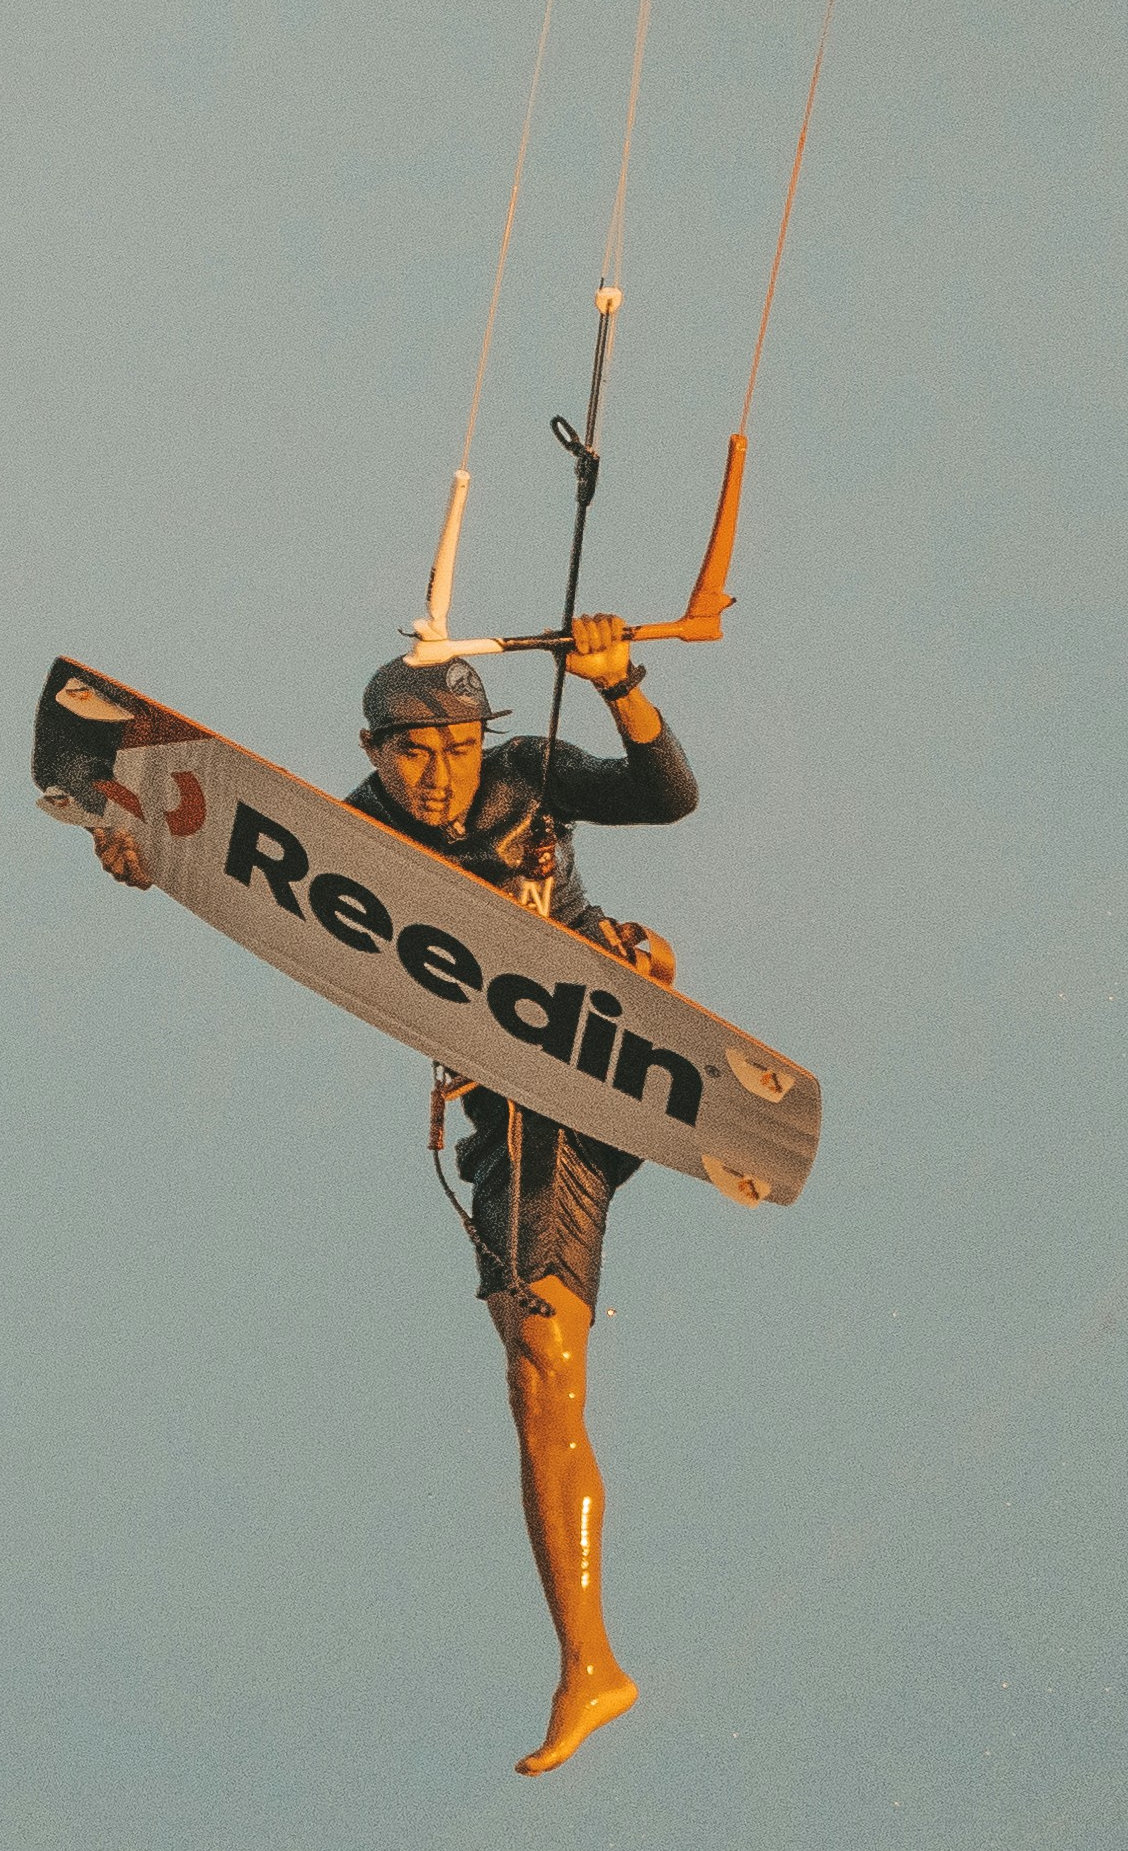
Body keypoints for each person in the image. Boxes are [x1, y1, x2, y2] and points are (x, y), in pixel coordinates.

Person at [99, 615, 700, 1773]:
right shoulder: (349, 839)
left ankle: (638, 968)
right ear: (372, 750)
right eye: (413, 752)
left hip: (579, 1079)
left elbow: (666, 796)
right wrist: (143, 860)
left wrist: (620, 680)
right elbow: (224, 858)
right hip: (500, 1118)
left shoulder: (532, 778)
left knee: (542, 1359)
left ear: (488, 742)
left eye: (459, 747)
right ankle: (593, 1662)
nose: (440, 774)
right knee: (533, 1380)